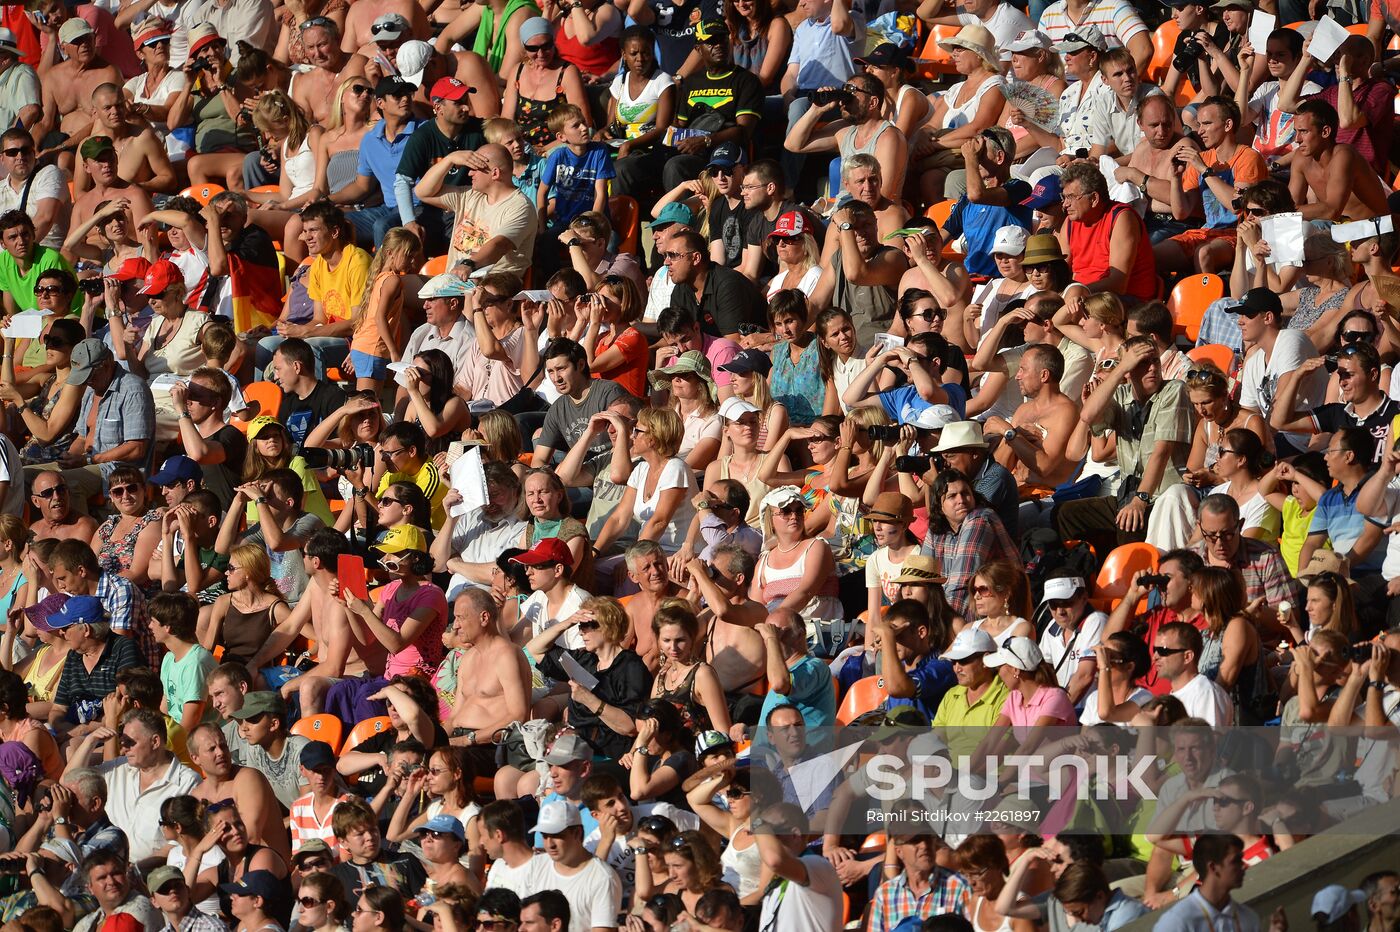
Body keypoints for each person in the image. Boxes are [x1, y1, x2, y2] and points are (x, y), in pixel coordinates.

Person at [414, 142, 537, 279]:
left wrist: (468, 264)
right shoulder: (469, 195)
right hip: (453, 283)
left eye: (475, 168)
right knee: (395, 284)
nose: (470, 172)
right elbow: (422, 192)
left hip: (490, 288)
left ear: (495, 173)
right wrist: (450, 159)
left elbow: (500, 244)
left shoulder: (521, 207)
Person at [1056, 162, 1157, 304]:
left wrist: (1079, 293)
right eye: (1064, 197)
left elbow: (1118, 284)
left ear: (1094, 198)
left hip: (1125, 301)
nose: (1065, 204)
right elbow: (1060, 272)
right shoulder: (1070, 222)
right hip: (1081, 296)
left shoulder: (1121, 218)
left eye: (1071, 197)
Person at [1153, 836, 1258, 932]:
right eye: (1236, 861)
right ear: (1213, 867)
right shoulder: (1177, 921)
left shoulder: (1248, 917)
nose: (1243, 865)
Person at [1153, 621, 1233, 726]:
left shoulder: (1205, 693)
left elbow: (1209, 741)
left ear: (1187, 657)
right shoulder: (1178, 694)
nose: (1155, 657)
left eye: (1163, 651)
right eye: (1154, 650)